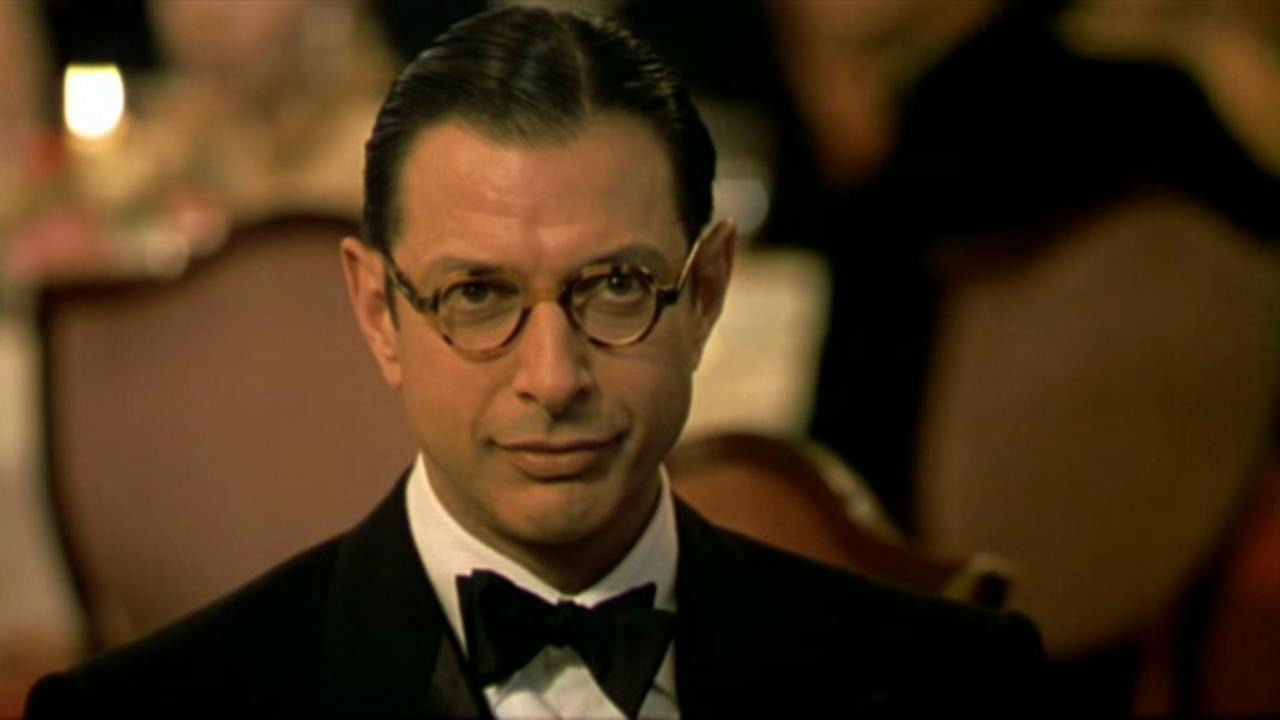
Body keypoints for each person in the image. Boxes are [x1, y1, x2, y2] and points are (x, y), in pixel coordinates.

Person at [24, 7, 1044, 718]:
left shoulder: (955, 685)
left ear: (704, 293)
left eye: (615, 288)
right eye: (478, 296)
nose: (553, 379)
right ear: (378, 312)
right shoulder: (151, 711)